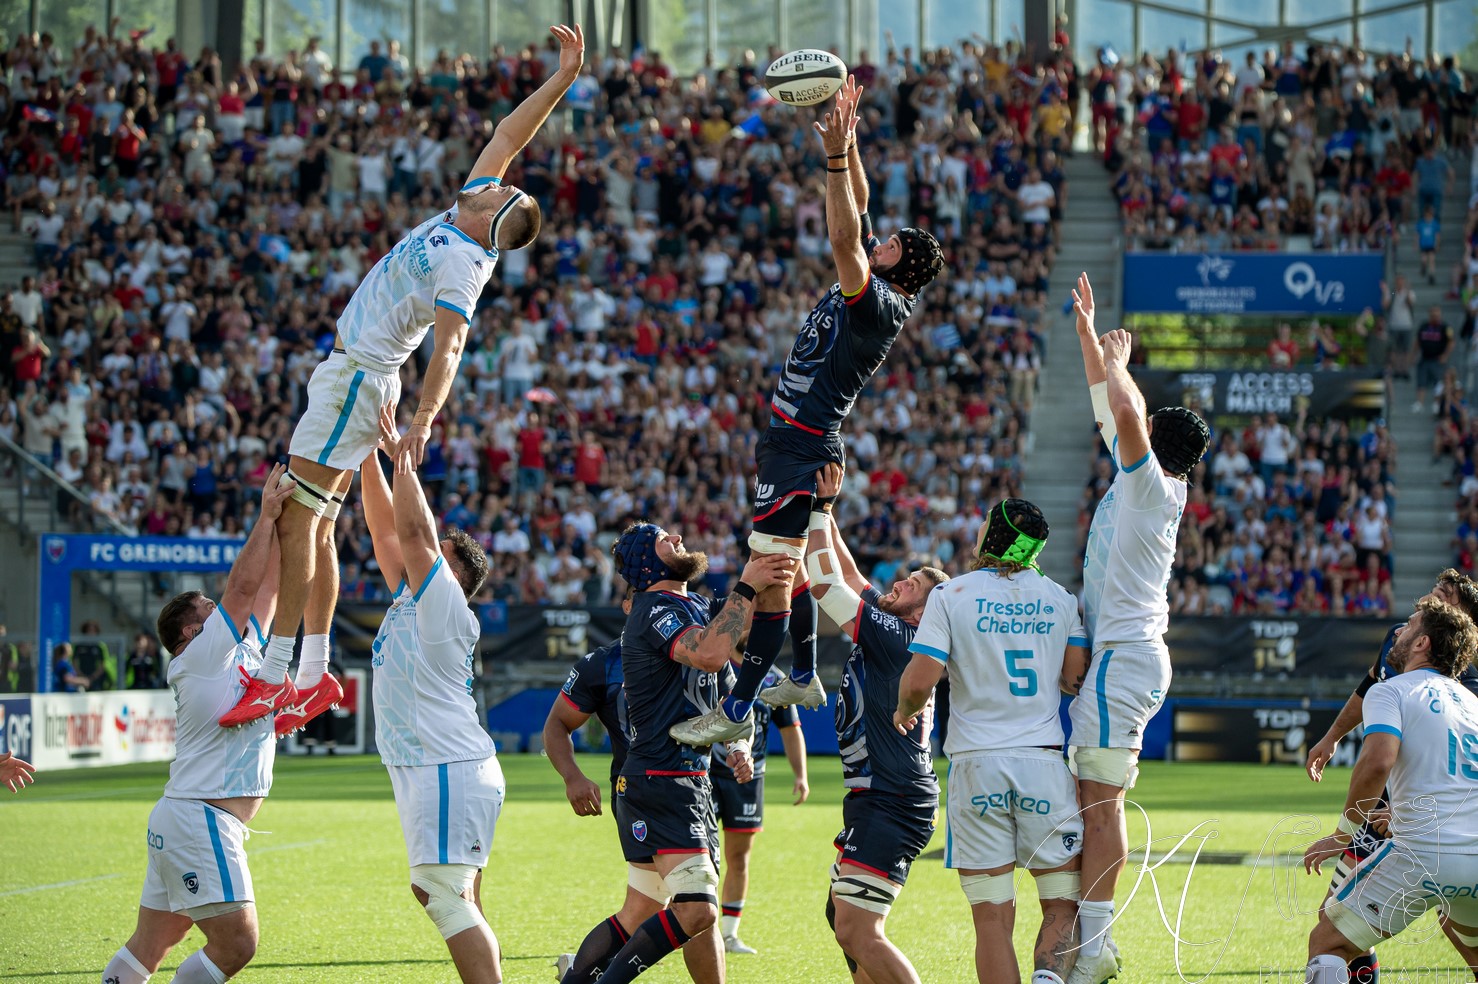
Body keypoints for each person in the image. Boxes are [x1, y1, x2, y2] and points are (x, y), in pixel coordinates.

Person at [219, 25, 586, 735]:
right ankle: (314, 672)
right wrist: (563, 78)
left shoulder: (465, 264)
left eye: (501, 190)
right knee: (316, 524)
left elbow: (448, 349)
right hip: (353, 377)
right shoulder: (471, 207)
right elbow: (512, 131)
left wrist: (423, 420)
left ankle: (275, 675)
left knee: (298, 515)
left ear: (494, 220)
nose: (498, 175)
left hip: (360, 377)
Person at [672, 78, 944, 748]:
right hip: (796, 442)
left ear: (900, 269)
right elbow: (862, 207)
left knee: (767, 577)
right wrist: (847, 142)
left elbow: (847, 236)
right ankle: (797, 671)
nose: (883, 241)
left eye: (893, 245)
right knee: (780, 572)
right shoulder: (884, 278)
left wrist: (829, 160)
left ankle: (740, 709)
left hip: (801, 444)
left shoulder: (879, 302)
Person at [565, 522, 792, 984]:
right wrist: (748, 583)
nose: (678, 538)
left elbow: (730, 688)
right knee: (697, 913)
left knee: (642, 909)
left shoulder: (693, 607)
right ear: (646, 563)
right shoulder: (654, 607)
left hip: (686, 779)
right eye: (663, 537)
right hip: (663, 779)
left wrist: (737, 743)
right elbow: (709, 655)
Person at [1066, 273, 1210, 984]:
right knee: (1096, 802)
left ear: (1155, 440)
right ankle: (1090, 942)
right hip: (1124, 658)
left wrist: (1122, 363)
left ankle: (1095, 949)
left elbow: (1123, 412)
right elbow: (1112, 407)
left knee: (1100, 806)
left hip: (1124, 660)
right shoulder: (1142, 479)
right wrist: (1091, 335)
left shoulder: (1152, 485)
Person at [101, 464, 293, 984]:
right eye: (208, 607)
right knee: (238, 943)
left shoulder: (235, 650)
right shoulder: (202, 655)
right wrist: (265, 515)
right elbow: (244, 586)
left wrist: (288, 525)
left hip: (186, 816)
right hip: (199, 819)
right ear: (192, 629)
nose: (222, 607)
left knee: (151, 945)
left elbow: (269, 590)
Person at [897, 499, 1090, 984]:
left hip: (976, 767)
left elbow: (920, 681)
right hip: (1042, 764)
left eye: (984, 524)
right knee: (1061, 902)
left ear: (994, 537)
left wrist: (905, 709)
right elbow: (1074, 678)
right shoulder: (1062, 599)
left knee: (991, 919)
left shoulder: (952, 594)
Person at [359, 407, 505, 984]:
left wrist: (401, 460)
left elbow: (414, 533)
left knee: (442, 894)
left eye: (433, 559)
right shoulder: (412, 600)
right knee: (455, 893)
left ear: (453, 576)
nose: (416, 557)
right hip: (436, 766)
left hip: (446, 765)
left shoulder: (444, 604)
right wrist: (362, 452)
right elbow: (386, 531)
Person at [802, 464, 948, 984]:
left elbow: (824, 583)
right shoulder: (894, 627)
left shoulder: (898, 639)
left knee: (859, 930)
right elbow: (846, 569)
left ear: (923, 615)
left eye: (912, 587)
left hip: (894, 797)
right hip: (880, 795)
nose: (897, 584)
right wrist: (829, 510)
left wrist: (817, 512)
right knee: (841, 918)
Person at [1304, 568, 1478, 984]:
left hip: (1418, 850)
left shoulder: (1395, 690)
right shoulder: (1471, 702)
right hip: (1471, 853)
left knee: (1329, 939)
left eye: (1411, 626)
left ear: (1422, 642)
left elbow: (1378, 763)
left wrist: (1342, 833)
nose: (1401, 629)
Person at [543, 626, 736, 984]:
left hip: (695, 790)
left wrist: (739, 750)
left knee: (646, 906)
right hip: (652, 792)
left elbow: (735, 707)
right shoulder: (602, 664)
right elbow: (557, 724)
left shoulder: (704, 653)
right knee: (696, 904)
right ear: (632, 606)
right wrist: (573, 776)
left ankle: (577, 977)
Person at [709, 668, 809, 955]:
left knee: (738, 857)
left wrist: (800, 775)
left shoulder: (774, 678)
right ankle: (689, 927)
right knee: (698, 854)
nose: (750, 625)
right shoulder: (711, 665)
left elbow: (790, 728)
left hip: (749, 779)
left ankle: (728, 935)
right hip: (706, 774)